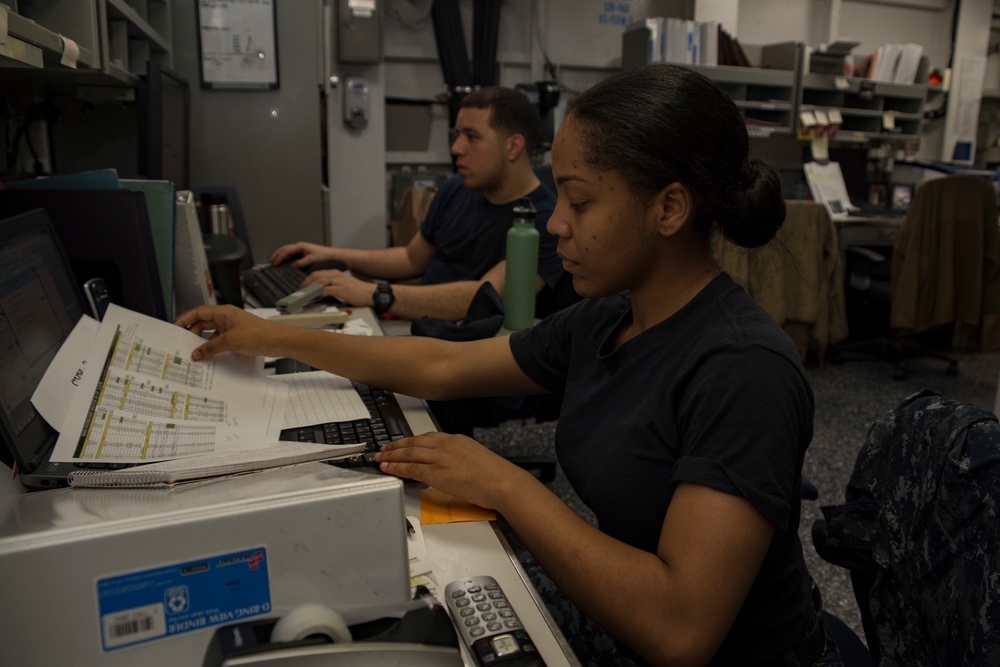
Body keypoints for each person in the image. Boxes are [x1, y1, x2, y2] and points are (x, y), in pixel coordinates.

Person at [176, 64, 841, 666]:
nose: (555, 226)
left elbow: (680, 629)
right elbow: (441, 364)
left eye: (579, 203)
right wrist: (276, 337)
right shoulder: (611, 316)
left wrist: (509, 485)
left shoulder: (744, 369)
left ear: (669, 208)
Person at [270, 86, 567, 322]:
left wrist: (377, 294)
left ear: (513, 146)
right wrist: (333, 253)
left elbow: (484, 296)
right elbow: (412, 259)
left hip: (462, 343)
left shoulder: (544, 221)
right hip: (413, 322)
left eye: (471, 137)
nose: (455, 148)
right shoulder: (456, 188)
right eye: (456, 135)